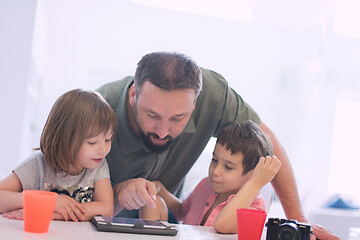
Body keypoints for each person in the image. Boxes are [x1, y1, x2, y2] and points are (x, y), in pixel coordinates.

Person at [96, 51, 339, 239]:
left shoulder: (213, 95)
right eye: (152, 115)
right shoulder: (97, 108)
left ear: (194, 106)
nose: (162, 131)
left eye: (177, 119)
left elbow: (267, 144)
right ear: (133, 96)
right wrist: (118, 192)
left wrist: (298, 219)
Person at [140, 121, 282, 234]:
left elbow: (223, 225)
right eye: (214, 160)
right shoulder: (206, 185)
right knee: (153, 203)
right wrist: (160, 188)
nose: (216, 171)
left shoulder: (254, 206)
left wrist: (255, 183)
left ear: (251, 175)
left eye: (228, 167)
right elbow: (182, 211)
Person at [0, 89, 117, 222]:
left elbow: (107, 209)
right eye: (92, 142)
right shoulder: (38, 164)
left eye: (108, 139)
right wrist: (48, 202)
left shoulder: (98, 165)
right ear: (64, 138)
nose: (103, 150)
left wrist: (53, 213)